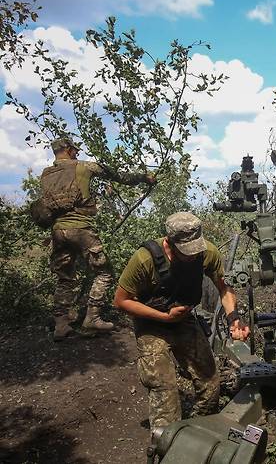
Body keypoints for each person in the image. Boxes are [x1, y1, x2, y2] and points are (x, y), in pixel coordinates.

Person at [113, 212, 250, 428]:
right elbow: (121, 301)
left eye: (197, 248)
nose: (194, 255)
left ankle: (197, 430)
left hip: (183, 320)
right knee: (164, 389)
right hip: (151, 324)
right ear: (170, 242)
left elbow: (224, 287)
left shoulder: (207, 253)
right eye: (187, 252)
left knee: (210, 380)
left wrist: (234, 318)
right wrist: (164, 317)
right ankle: (165, 445)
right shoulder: (144, 259)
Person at [43, 137, 155, 341]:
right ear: (68, 150)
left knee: (65, 277)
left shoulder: (46, 174)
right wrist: (144, 177)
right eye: (74, 150)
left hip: (58, 231)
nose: (76, 153)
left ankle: (61, 325)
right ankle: (92, 318)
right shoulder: (84, 167)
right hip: (80, 228)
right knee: (104, 273)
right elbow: (118, 175)